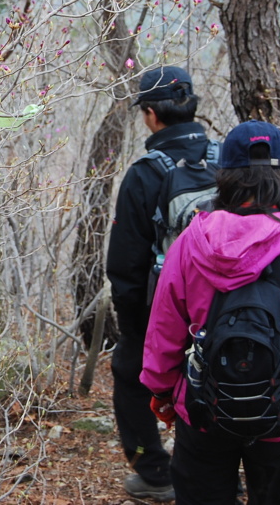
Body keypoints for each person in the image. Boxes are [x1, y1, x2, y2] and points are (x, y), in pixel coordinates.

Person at [141, 120, 280, 505]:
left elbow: (164, 330)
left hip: (203, 410)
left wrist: (162, 392)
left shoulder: (189, 244)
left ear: (224, 175)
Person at [106, 65, 213, 501]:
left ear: (150, 114)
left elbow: (127, 265)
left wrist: (133, 330)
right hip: (231, 307)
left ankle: (154, 471)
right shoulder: (229, 158)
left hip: (165, 308)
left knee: (129, 373)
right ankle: (222, 469)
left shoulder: (145, 173)